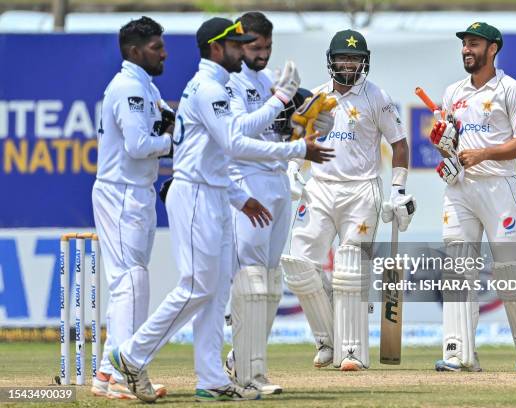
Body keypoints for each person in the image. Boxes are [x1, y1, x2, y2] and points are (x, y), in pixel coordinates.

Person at [109, 17, 333, 403]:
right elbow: (234, 142)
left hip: (212, 190)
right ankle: (130, 355)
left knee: (212, 295)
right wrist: (294, 140)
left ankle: (211, 376)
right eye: (237, 45)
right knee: (197, 286)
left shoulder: (215, 85)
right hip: (195, 194)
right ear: (217, 48)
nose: (244, 50)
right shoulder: (210, 87)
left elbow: (213, 152)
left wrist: (237, 196)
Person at [281, 29, 416, 371]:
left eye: (355, 58)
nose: (349, 64)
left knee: (351, 269)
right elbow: (300, 136)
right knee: (298, 265)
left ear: (364, 62)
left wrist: (398, 188)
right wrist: (293, 168)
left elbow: (399, 143)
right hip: (320, 188)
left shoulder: (376, 96)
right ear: (331, 60)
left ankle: (352, 350)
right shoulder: (315, 96)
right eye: (344, 57)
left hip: (361, 190)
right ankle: (328, 337)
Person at [222, 12, 334, 395]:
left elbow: (292, 127)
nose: (262, 54)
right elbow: (239, 133)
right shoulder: (232, 82)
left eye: (268, 46)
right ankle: (243, 370)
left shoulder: (268, 80)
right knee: (251, 278)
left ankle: (250, 366)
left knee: (270, 282)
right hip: (246, 180)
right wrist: (282, 100)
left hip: (276, 180)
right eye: (255, 47)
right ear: (238, 44)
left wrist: (308, 116)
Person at [430, 22, 516, 372]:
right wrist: (443, 143)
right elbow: (446, 142)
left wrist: (481, 154)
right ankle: (458, 352)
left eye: (474, 43)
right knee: (457, 267)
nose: (467, 49)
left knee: (508, 268)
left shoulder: (511, 90)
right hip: (461, 189)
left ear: (492, 49)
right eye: (465, 44)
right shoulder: (453, 92)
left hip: (501, 187)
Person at [91, 16, 171, 399]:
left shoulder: (144, 86)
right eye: (156, 47)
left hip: (134, 190)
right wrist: (174, 139)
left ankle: (109, 372)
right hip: (122, 192)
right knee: (131, 283)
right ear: (136, 51)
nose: (164, 53)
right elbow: (138, 147)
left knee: (129, 283)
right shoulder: (129, 88)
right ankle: (117, 373)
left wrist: (165, 129)